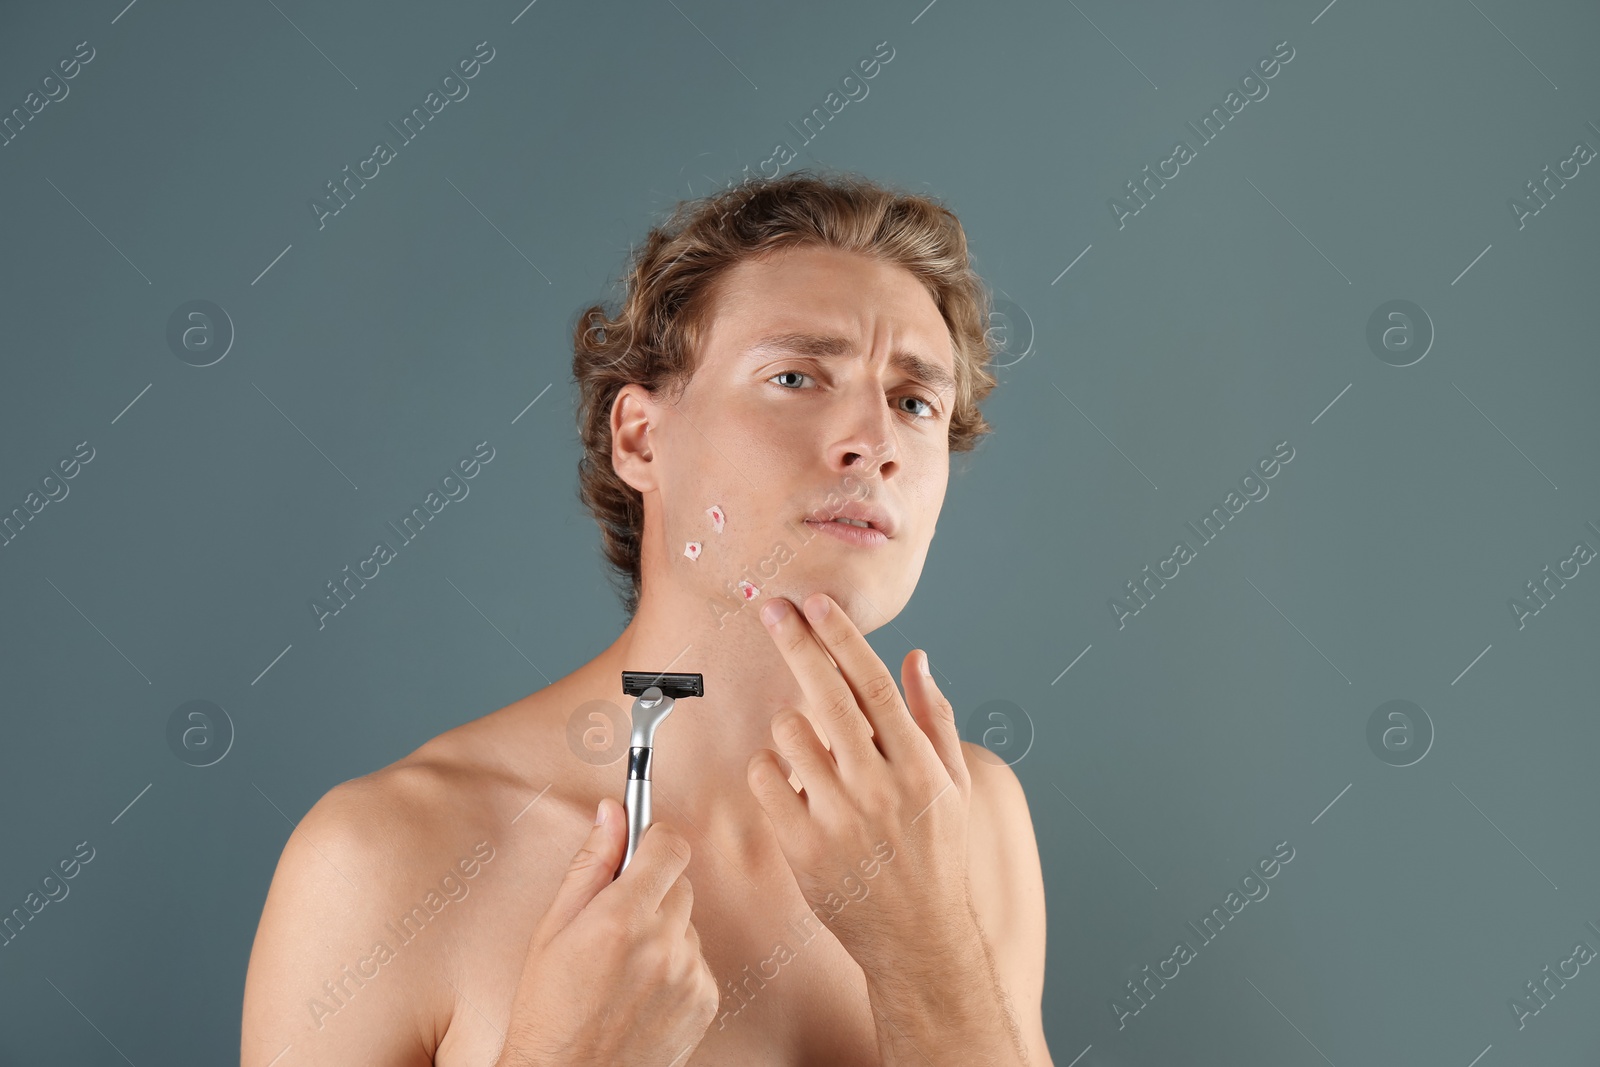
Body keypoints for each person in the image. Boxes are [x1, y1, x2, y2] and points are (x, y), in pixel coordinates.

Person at [241, 169, 1052, 1066]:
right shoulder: (385, 863)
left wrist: (929, 955)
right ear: (640, 437)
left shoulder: (969, 819)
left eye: (914, 401)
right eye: (796, 375)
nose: (875, 441)